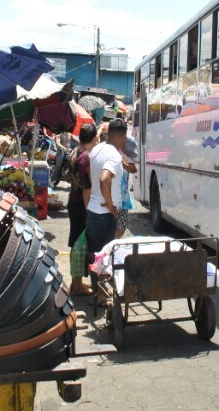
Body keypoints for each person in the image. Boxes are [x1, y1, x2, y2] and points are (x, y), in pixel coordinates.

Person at [85, 118, 127, 305]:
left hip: (93, 211)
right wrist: (110, 205)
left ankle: (98, 293)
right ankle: (101, 296)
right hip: (103, 214)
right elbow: (104, 178)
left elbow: (94, 176)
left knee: (96, 254)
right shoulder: (114, 156)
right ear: (124, 137)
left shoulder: (97, 149)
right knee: (103, 255)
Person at [67, 123, 98, 295]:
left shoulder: (75, 152)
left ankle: (75, 282)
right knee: (79, 244)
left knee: (75, 243)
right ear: (94, 138)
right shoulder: (86, 157)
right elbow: (87, 188)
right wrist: (89, 211)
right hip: (80, 203)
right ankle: (77, 284)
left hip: (73, 200)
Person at [115, 140, 138, 239]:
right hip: (110, 197)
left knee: (122, 225)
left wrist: (123, 164)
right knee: (110, 224)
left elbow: (134, 169)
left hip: (124, 197)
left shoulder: (124, 154)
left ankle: (113, 243)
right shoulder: (107, 153)